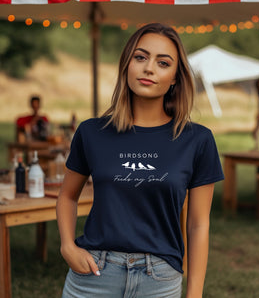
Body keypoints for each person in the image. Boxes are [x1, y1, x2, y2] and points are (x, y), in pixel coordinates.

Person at [56, 23, 224, 298]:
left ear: (175, 78)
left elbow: (198, 225)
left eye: (163, 62)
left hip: (159, 279)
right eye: (141, 57)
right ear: (127, 65)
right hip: (94, 274)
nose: (149, 68)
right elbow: (67, 197)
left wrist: (194, 294)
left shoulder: (197, 140)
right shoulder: (91, 132)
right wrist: (67, 246)